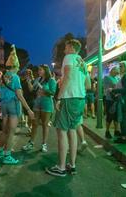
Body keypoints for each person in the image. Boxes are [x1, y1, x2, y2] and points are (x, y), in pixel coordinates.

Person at [46, 39, 90, 177]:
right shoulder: (82, 61)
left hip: (68, 98)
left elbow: (68, 76)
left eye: (65, 47)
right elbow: (88, 84)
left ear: (71, 47)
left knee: (62, 131)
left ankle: (61, 167)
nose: (64, 50)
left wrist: (59, 97)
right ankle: (72, 164)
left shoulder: (69, 57)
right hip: (80, 98)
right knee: (72, 130)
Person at [0, 44, 34, 164]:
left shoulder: (1, 77)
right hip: (13, 105)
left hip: (4, 106)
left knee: (4, 131)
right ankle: (7, 156)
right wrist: (29, 110)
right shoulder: (15, 77)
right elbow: (20, 95)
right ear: (16, 65)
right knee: (11, 132)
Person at [22, 64, 57, 152]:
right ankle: (31, 143)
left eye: (40, 70)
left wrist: (43, 90)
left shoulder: (51, 80)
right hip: (37, 104)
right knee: (34, 124)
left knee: (45, 125)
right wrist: (29, 82)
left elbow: (52, 92)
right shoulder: (38, 79)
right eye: (38, 70)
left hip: (47, 105)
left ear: (45, 70)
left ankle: (44, 144)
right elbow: (32, 90)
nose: (39, 71)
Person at [112, 61, 126, 144]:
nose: (120, 68)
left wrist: (114, 90)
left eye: (121, 66)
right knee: (125, 118)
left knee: (123, 119)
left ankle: (124, 137)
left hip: (124, 101)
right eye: (120, 66)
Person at [103, 66, 121, 139]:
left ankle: (116, 130)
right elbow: (109, 88)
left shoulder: (116, 78)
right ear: (112, 71)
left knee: (116, 116)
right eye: (116, 71)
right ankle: (107, 131)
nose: (117, 73)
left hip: (116, 99)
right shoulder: (107, 78)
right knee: (110, 116)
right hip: (109, 99)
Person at [21, 69, 35, 134]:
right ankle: (30, 127)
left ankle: (30, 128)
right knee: (26, 114)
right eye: (26, 74)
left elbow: (32, 90)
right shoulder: (23, 82)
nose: (27, 75)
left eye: (28, 74)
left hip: (31, 100)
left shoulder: (33, 81)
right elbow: (21, 91)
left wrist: (29, 82)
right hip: (25, 100)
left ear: (30, 74)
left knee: (30, 116)